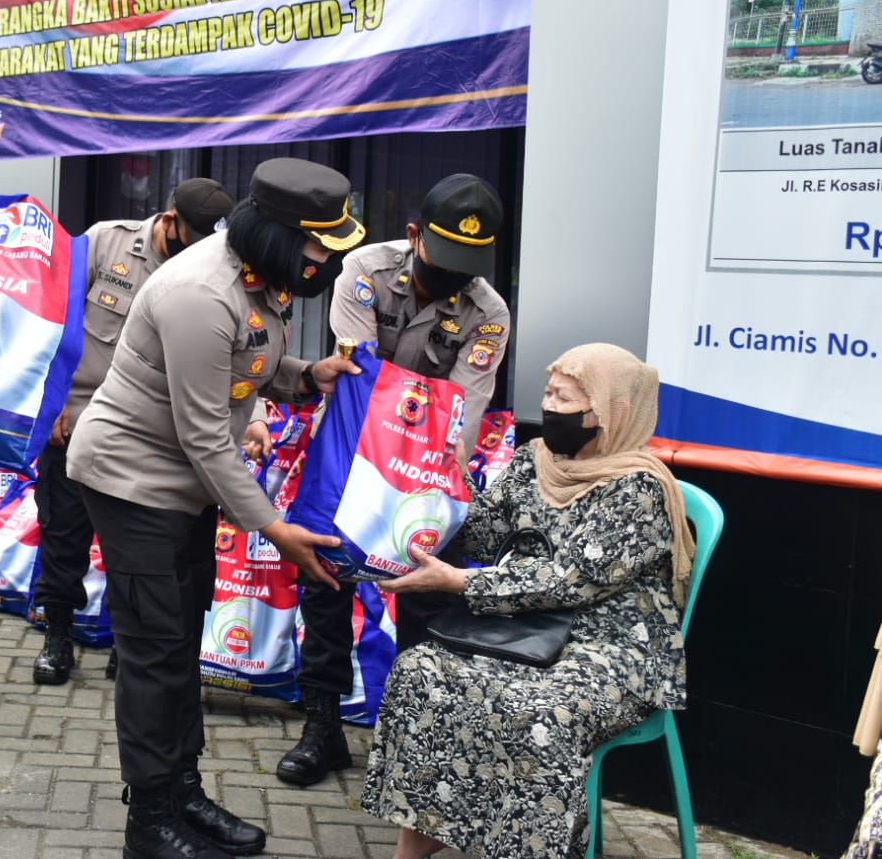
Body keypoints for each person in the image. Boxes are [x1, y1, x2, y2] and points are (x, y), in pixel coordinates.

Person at [67, 157, 366, 859]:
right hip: (132, 479)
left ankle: (182, 791)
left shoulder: (256, 275)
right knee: (153, 654)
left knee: (178, 649)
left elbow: (241, 369)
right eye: (320, 248)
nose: (324, 263)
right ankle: (150, 820)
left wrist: (303, 376)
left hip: (184, 488)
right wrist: (271, 528)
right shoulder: (200, 293)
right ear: (279, 237)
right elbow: (205, 434)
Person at [363, 342, 696, 859]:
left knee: (537, 710)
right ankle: (417, 843)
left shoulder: (639, 491)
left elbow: (571, 581)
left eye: (565, 399)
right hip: (522, 629)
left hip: (607, 649)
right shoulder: (532, 461)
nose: (550, 408)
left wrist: (459, 584)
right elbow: (480, 535)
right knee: (421, 671)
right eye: (548, 393)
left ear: (611, 414)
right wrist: (433, 492)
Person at [276, 173, 511, 788]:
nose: (456, 277)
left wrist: (427, 475)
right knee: (325, 584)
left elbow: (464, 407)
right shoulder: (365, 270)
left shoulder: (489, 313)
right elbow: (359, 375)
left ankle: (411, 745)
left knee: (426, 601)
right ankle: (322, 726)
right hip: (350, 449)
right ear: (414, 237)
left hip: (429, 464)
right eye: (446, 260)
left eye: (470, 265)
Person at [31, 176, 236, 686]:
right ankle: (58, 634)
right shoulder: (107, 240)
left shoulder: (217, 271)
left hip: (153, 436)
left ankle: (130, 645)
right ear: (170, 222)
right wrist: (51, 398)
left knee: (143, 551)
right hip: (78, 419)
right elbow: (54, 313)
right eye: (192, 239)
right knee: (64, 533)